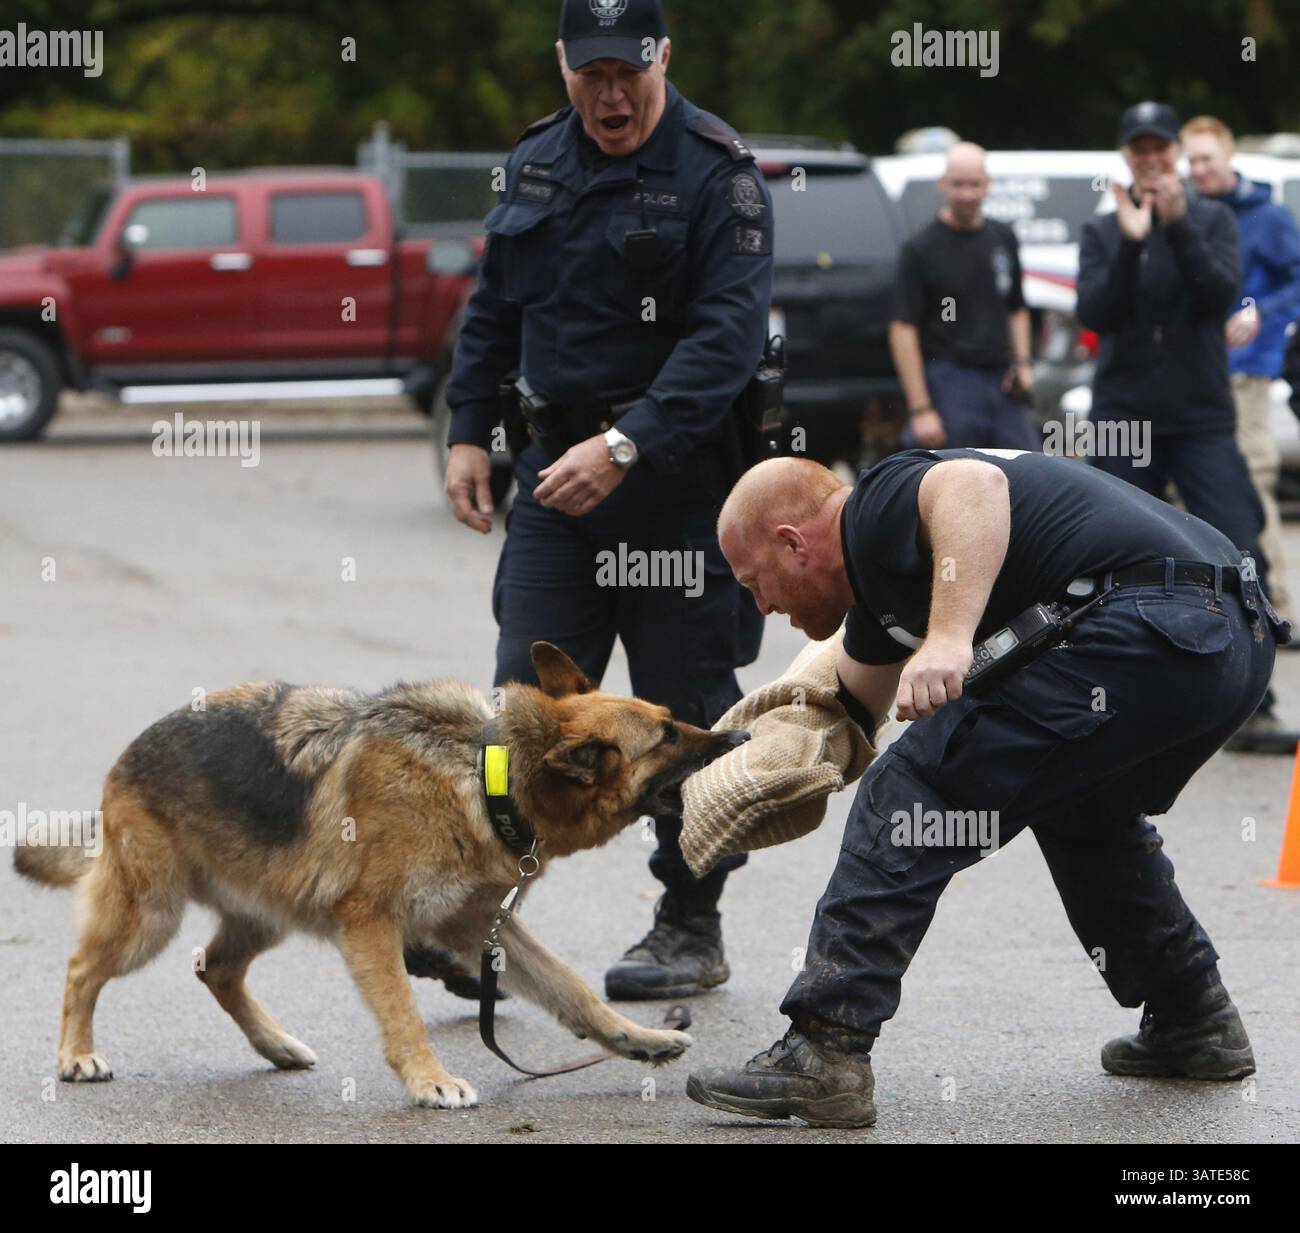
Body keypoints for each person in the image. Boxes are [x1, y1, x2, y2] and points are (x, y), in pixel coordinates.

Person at [685, 449, 1285, 1129]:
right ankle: (1194, 1016)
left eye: (754, 581)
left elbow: (974, 484)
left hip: (1151, 624)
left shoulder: (873, 508)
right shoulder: (884, 600)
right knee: (1085, 810)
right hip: (1229, 641)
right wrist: (744, 782)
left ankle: (825, 1050)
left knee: (910, 797)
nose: (761, 605)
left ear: (793, 543)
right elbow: (837, 721)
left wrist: (947, 638)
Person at [426, 0, 774, 1001]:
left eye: (628, 72)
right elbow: (492, 312)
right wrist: (466, 430)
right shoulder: (536, 160)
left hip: (677, 489)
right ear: (563, 65)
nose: (610, 95)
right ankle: (473, 912)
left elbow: (726, 338)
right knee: (513, 715)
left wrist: (627, 443)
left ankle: (688, 919)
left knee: (687, 722)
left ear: (664, 56)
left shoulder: (719, 174)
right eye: (591, 75)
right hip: (554, 489)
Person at [1078, 101, 1296, 754]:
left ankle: (1253, 701)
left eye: (1160, 149)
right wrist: (1132, 240)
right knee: (1112, 556)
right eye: (1139, 149)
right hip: (1124, 415)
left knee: (1237, 543)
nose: (1151, 159)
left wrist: (1174, 228)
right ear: (1125, 156)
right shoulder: (1103, 228)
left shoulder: (1211, 218)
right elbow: (1099, 313)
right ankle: (1111, 703)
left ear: (1174, 154)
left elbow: (1218, 294)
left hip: (1201, 414)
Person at [1182, 114, 1300, 628]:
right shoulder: (1185, 212)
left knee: (1251, 474)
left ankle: (1274, 603)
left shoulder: (1268, 216)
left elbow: (1296, 281)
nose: (1200, 169)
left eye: (1208, 158)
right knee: (1194, 486)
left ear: (1229, 157)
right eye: (1193, 160)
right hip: (1192, 371)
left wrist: (1260, 312)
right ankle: (1213, 603)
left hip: (1246, 370)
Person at [889, 142, 1038, 452]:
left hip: (1001, 380)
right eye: (958, 184)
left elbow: (1017, 308)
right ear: (943, 184)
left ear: (988, 184)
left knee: (1029, 471)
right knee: (961, 478)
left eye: (975, 184)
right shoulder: (921, 248)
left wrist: (1023, 363)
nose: (967, 193)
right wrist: (921, 409)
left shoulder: (1003, 238)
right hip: (949, 379)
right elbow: (902, 328)